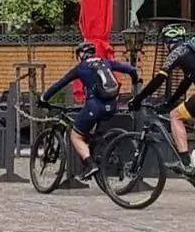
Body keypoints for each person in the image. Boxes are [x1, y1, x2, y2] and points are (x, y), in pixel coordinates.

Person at [133, 24, 195, 173]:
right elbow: (184, 85)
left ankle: (186, 163)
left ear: (168, 42)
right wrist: (169, 102)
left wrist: (138, 99)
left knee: (176, 116)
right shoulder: (193, 53)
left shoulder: (177, 52)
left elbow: (159, 79)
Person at [41, 42, 140, 180]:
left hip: (94, 106)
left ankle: (90, 165)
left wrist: (44, 98)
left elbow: (60, 84)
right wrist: (135, 82)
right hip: (112, 105)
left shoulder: (81, 68)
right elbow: (131, 69)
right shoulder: (106, 62)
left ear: (81, 54)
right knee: (90, 134)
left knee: (76, 136)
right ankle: (96, 157)